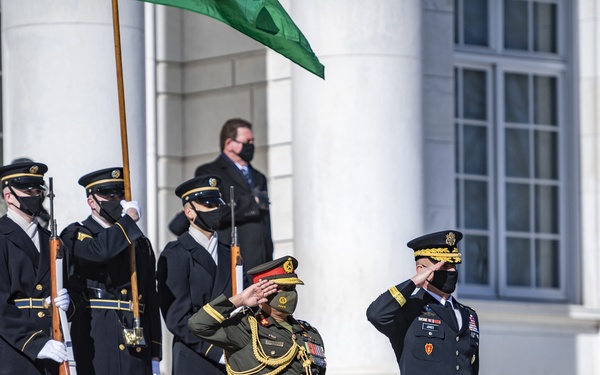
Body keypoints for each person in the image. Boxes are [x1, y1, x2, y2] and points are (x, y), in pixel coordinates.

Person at [60, 167, 161, 375]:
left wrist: (155, 354)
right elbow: (101, 252)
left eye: (120, 195)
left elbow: (150, 298)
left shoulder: (140, 243)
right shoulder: (76, 233)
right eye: (108, 195)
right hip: (97, 338)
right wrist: (129, 219)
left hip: (136, 341)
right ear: (92, 202)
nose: (116, 200)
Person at [158, 175, 249, 374]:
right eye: (209, 205)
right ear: (189, 212)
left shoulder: (231, 254)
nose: (216, 210)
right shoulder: (176, 254)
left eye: (218, 205)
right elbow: (177, 318)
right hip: (195, 358)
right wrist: (216, 351)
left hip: (233, 356)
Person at [187, 256, 327, 375]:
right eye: (283, 289)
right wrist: (239, 300)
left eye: (292, 288)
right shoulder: (247, 328)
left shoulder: (309, 333)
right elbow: (198, 325)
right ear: (265, 291)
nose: (290, 294)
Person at [366, 230, 480, 374]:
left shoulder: (468, 315)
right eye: (442, 266)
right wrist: (413, 282)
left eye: (453, 265)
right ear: (421, 270)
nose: (450, 270)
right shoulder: (409, 309)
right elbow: (375, 314)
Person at [170, 118, 273, 270]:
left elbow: (265, 221)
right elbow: (218, 212)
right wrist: (253, 203)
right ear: (229, 143)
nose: (251, 145)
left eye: (252, 141)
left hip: (262, 262)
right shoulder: (209, 173)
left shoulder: (259, 177)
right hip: (233, 258)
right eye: (247, 141)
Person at [0, 161, 70, 375]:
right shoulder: (2, 236)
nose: (34, 195)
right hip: (15, 348)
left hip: (52, 344)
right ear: (8, 196)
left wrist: (68, 303)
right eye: (27, 190)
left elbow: (70, 286)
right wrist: (34, 343)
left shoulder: (51, 240)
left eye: (38, 190)